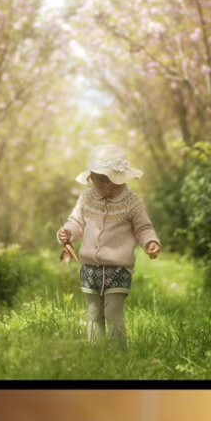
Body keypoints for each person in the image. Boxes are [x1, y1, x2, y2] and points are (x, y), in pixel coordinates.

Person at [57, 147, 161, 349]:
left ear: (122, 178)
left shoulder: (133, 203)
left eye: (109, 181)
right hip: (90, 269)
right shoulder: (86, 198)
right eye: (98, 181)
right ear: (91, 178)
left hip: (118, 269)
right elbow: (76, 223)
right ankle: (97, 356)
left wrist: (151, 242)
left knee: (113, 313)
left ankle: (118, 355)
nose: (104, 186)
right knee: (94, 314)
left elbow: (143, 228)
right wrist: (67, 232)